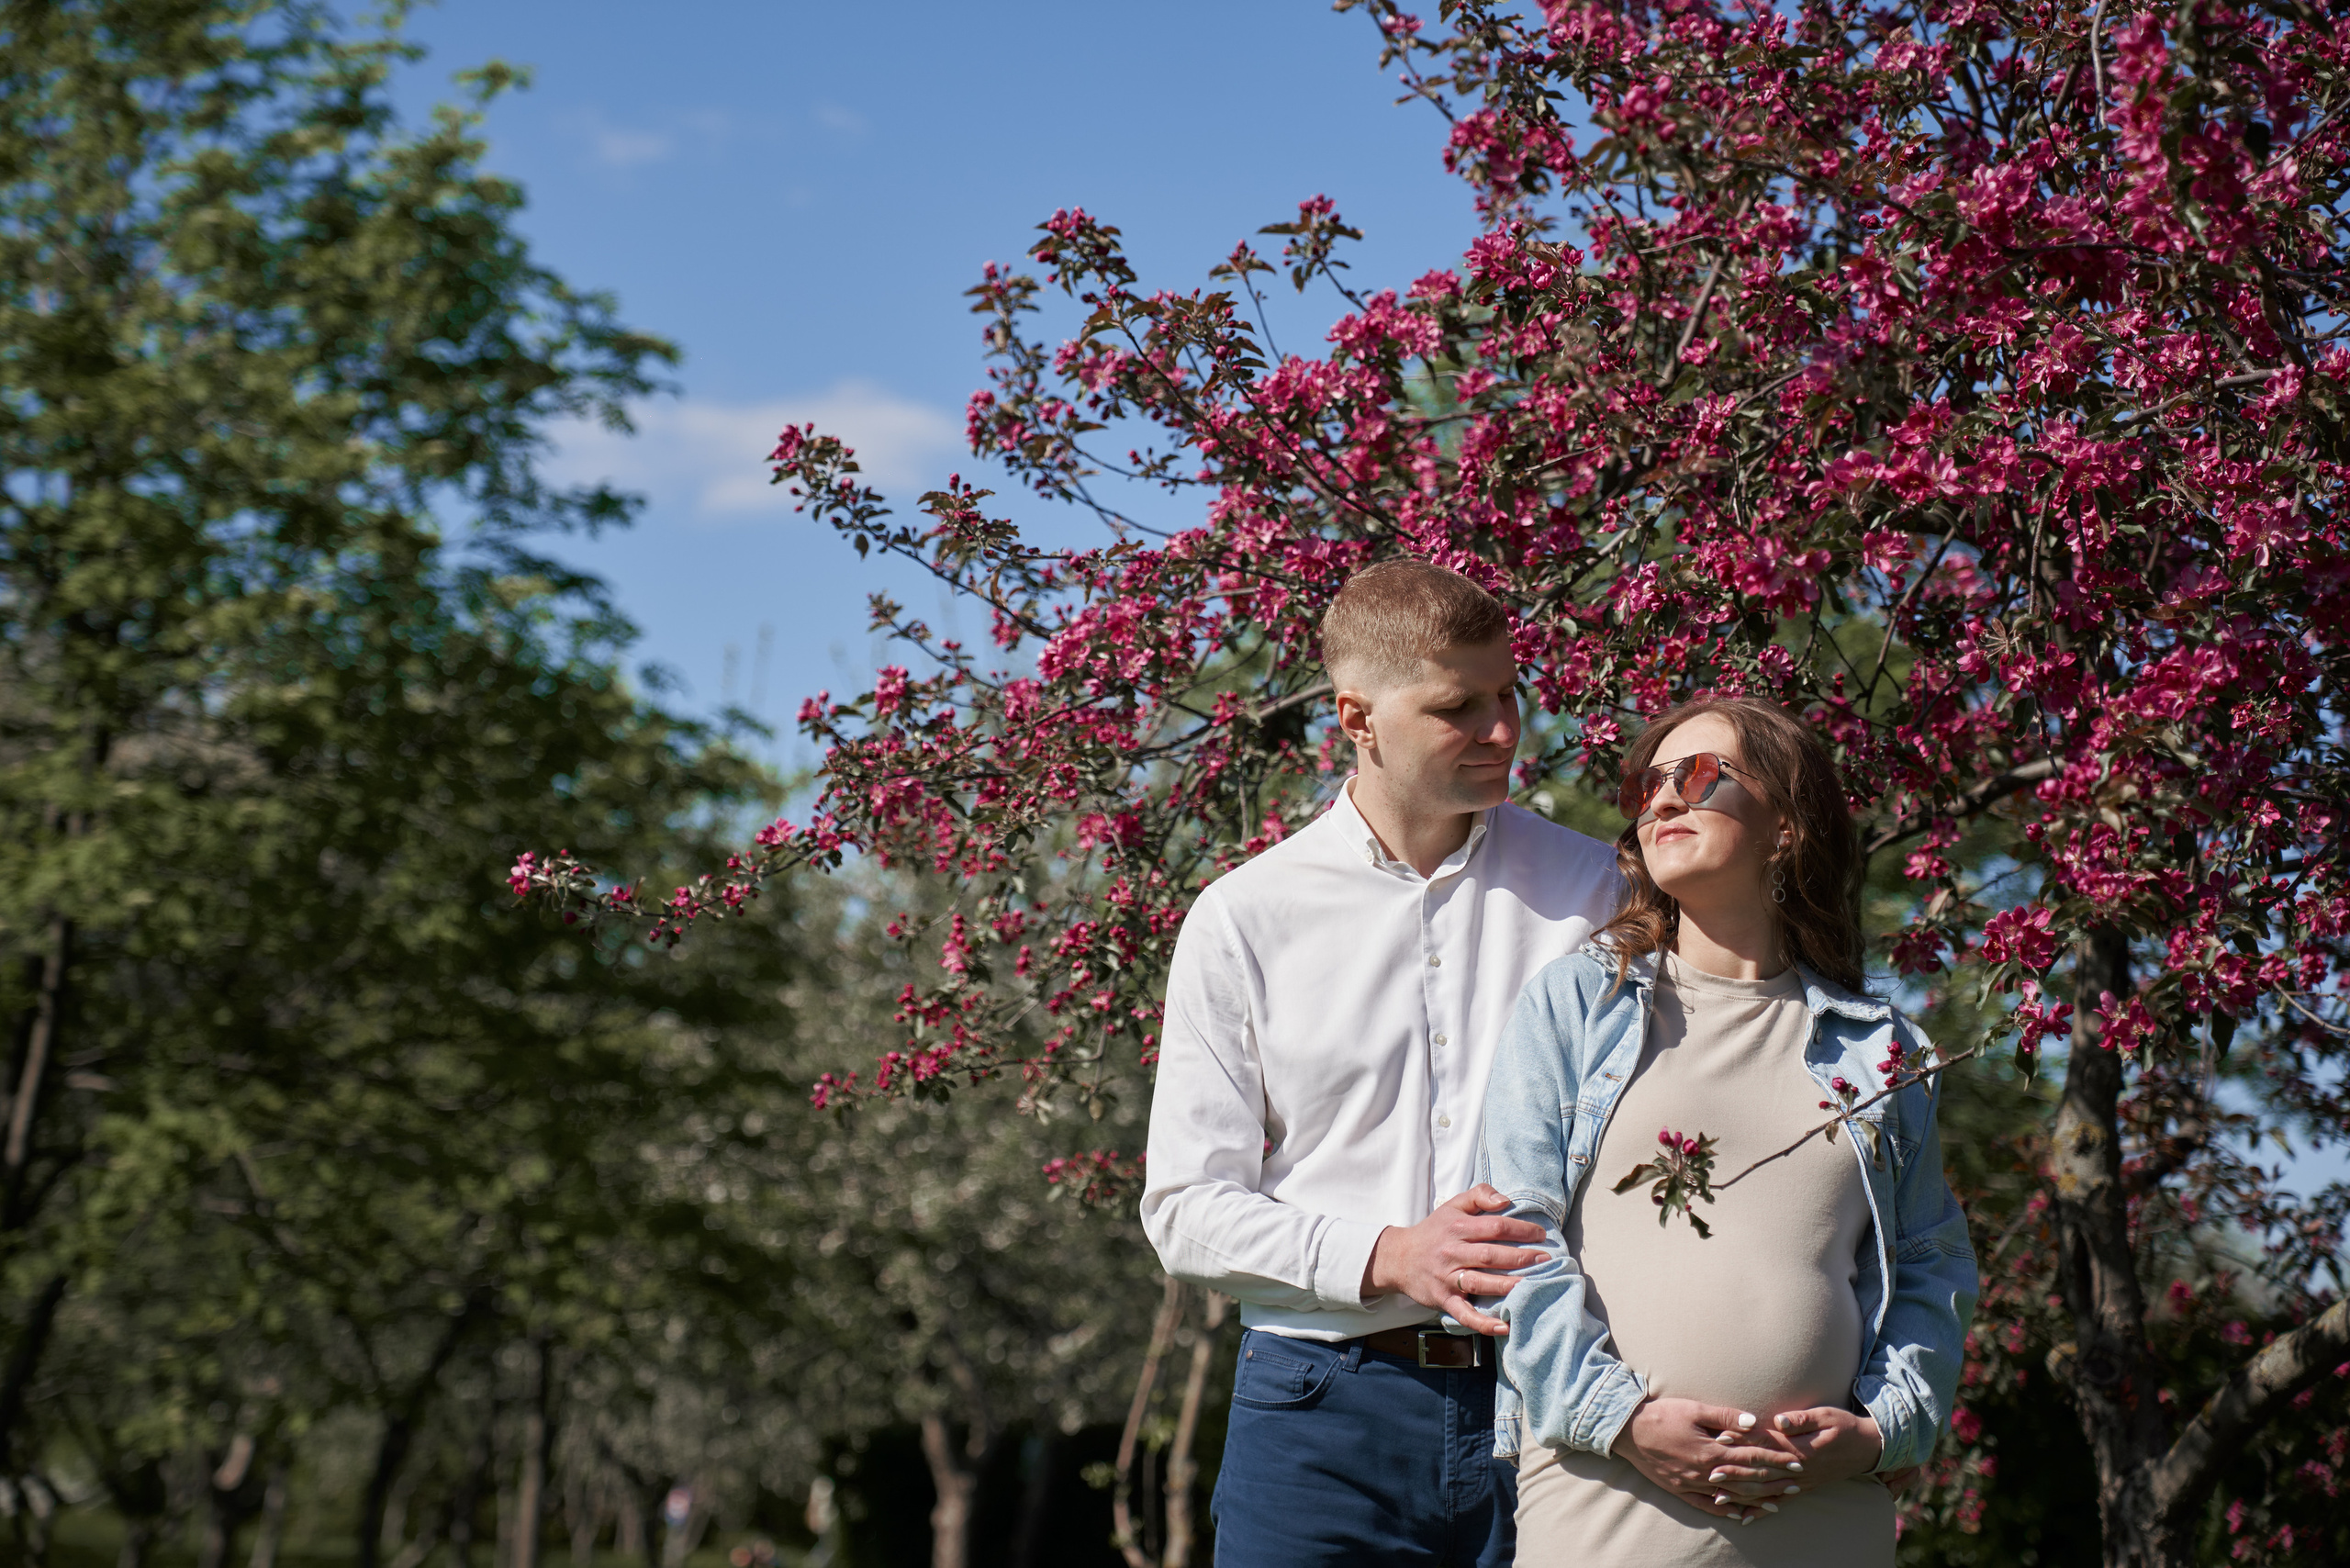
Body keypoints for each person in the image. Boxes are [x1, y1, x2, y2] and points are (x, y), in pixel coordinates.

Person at [1141, 559, 1623, 1566]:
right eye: (1459, 707)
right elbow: (1183, 1206)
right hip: (1320, 1417)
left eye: (1508, 694)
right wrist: (1388, 1255)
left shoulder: (1600, 893)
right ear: (1358, 716)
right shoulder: (1243, 918)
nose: (1502, 729)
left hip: (1557, 1399)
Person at [1478, 697, 1978, 1567]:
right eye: (1648, 782)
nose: (1663, 800)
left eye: (1701, 775)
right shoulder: (1575, 1007)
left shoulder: (1881, 1048)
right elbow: (1515, 1241)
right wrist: (1624, 1422)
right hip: (1610, 1501)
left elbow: (1932, 1263)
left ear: (1785, 826)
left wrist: (1881, 1433)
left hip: (1823, 1515)